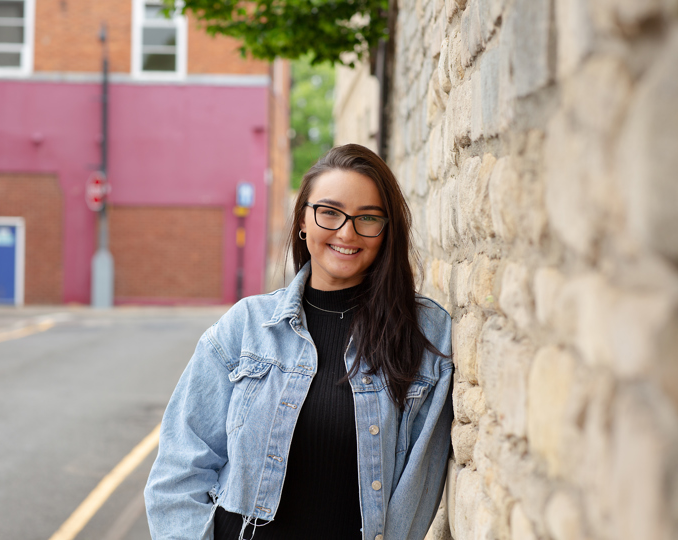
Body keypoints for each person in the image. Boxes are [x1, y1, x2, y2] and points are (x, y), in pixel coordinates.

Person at [144, 144, 454, 540]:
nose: (347, 232)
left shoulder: (424, 334)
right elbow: (179, 468)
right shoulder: (246, 326)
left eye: (368, 218)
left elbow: (418, 486)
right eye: (329, 212)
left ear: (387, 230)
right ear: (304, 220)